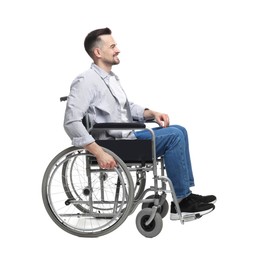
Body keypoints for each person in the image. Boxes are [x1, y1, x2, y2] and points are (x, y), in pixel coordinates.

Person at [64, 27, 216, 220]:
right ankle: (182, 202)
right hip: (113, 145)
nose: (117, 50)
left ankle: (186, 194)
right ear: (98, 52)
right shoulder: (86, 80)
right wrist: (98, 152)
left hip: (126, 138)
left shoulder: (109, 79)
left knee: (180, 130)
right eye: (112, 46)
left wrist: (151, 113)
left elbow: (126, 108)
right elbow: (71, 121)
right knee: (174, 137)